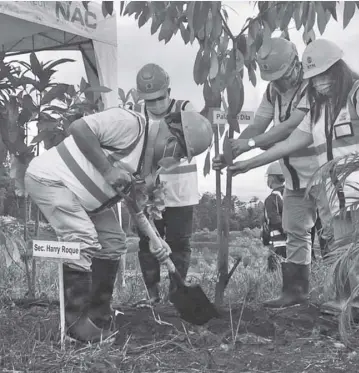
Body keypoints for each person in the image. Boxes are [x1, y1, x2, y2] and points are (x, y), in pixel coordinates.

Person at [24, 105, 213, 343]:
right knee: (82, 239)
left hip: (88, 202)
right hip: (51, 181)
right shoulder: (130, 124)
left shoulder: (150, 166)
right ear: (171, 135)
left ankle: (97, 315)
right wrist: (107, 169)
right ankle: (75, 325)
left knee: (113, 242)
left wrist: (156, 239)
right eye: (179, 152)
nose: (176, 159)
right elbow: (78, 128)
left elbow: (135, 205)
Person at [225, 38, 359, 315]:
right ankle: (326, 297)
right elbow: (285, 140)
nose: (320, 82)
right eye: (315, 78)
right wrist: (245, 161)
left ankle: (348, 298)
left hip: (339, 183)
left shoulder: (344, 94)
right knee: (327, 241)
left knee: (344, 241)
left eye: (324, 75)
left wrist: (250, 147)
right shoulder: (311, 104)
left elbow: (285, 130)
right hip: (325, 187)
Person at [130, 64, 200, 306]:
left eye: (160, 98)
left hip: (181, 191)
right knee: (147, 242)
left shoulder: (185, 109)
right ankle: (152, 293)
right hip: (147, 192)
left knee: (180, 242)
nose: (155, 105)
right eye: (150, 100)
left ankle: (176, 293)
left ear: (168, 91)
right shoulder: (136, 112)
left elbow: (197, 140)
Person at [262, 162, 286, 272]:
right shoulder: (292, 195)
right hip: (296, 243)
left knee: (274, 274)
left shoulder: (271, 199)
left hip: (278, 245)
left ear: (271, 179)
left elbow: (275, 221)